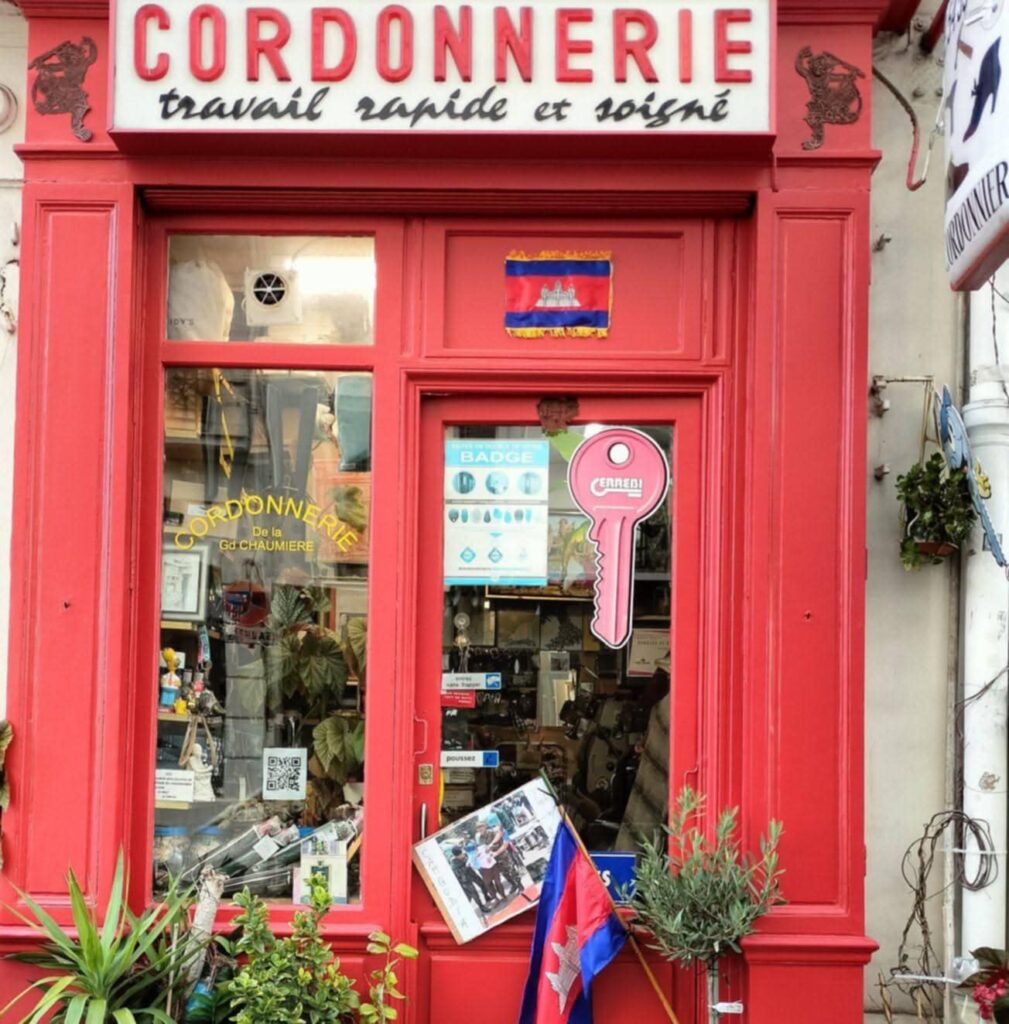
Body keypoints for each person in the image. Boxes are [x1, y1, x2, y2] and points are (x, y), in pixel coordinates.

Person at [448, 844, 490, 913]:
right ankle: (482, 907)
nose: (463, 854)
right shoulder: (453, 863)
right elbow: (459, 874)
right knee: (474, 893)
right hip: (465, 880)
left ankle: (486, 896)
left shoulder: (464, 855)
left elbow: (470, 858)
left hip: (471, 874)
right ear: (457, 855)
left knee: (482, 884)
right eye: (461, 853)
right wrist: (466, 866)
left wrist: (474, 857)